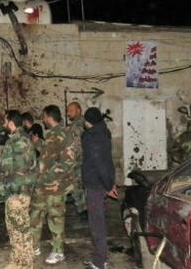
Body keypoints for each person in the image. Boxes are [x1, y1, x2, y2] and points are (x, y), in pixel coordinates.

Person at [30, 105, 77, 264]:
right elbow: (48, 155)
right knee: (35, 215)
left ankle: (58, 251)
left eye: (43, 117)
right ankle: (33, 245)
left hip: (55, 186)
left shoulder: (65, 134)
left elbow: (68, 163)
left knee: (55, 219)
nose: (42, 120)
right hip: (42, 185)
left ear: (49, 116)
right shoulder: (51, 135)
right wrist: (38, 144)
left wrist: (49, 176)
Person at [0, 110, 37, 269]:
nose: (3, 125)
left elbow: (15, 170)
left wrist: (9, 192)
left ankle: (25, 263)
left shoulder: (18, 141)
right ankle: (17, 260)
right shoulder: (17, 140)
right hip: (14, 193)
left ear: (11, 122)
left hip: (17, 193)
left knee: (20, 229)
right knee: (14, 229)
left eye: (4, 121)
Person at [81, 108, 117, 269]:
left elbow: (99, 163)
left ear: (88, 121)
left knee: (97, 224)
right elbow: (108, 161)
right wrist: (110, 183)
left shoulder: (91, 137)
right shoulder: (104, 133)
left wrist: (108, 185)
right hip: (101, 183)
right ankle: (101, 258)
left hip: (95, 185)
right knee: (99, 222)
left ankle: (100, 262)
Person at [66, 102, 88, 217]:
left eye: (70, 110)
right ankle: (86, 209)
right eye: (67, 110)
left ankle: (83, 210)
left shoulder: (78, 125)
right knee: (82, 186)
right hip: (84, 160)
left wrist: (71, 161)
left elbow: (77, 147)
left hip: (78, 161)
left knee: (77, 186)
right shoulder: (84, 123)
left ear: (79, 110)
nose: (68, 113)